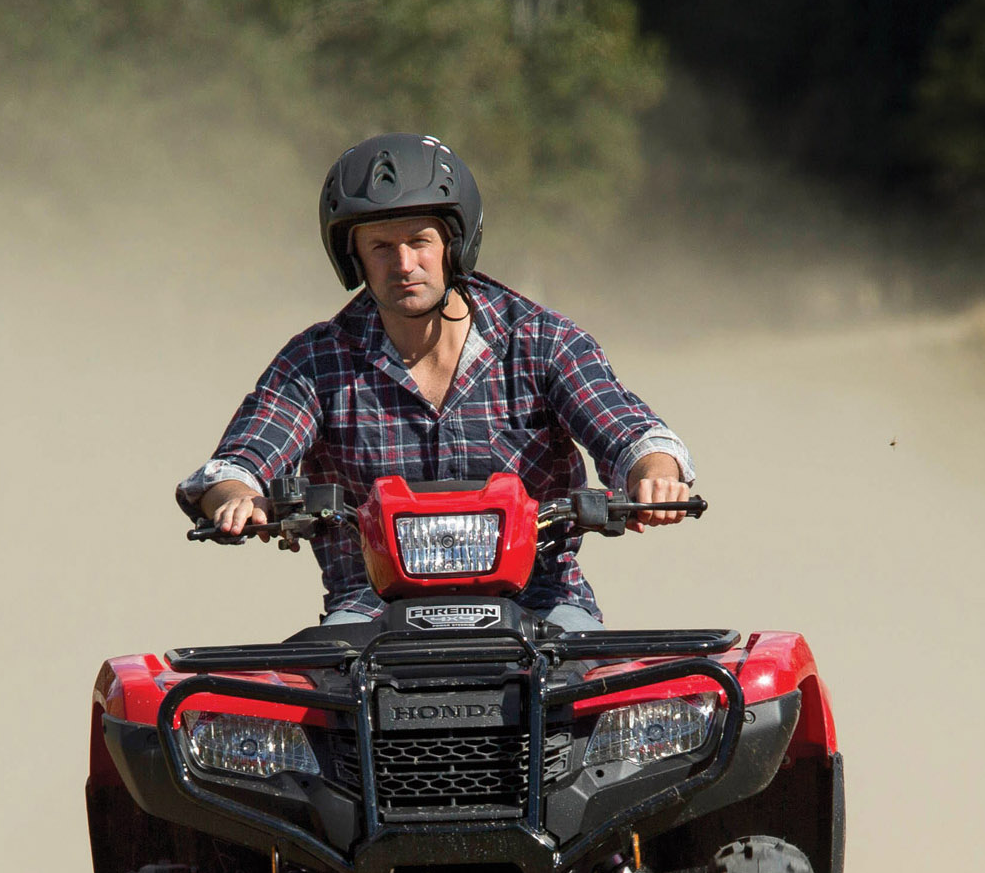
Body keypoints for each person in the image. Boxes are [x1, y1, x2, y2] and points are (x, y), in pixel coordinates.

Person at [177, 133, 694, 630]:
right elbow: (239, 462)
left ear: (455, 244)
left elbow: (631, 433)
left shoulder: (543, 341)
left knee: (602, 683)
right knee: (311, 686)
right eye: (381, 246)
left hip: (542, 602)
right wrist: (237, 498)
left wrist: (654, 476)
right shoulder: (316, 360)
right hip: (369, 612)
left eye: (419, 241)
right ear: (353, 258)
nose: (404, 264)